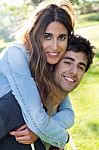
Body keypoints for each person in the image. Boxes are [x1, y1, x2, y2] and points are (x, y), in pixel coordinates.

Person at [0, 1, 75, 149]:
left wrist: (38, 131)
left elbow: (68, 113)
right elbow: (35, 116)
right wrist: (63, 137)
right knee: (18, 105)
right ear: (35, 34)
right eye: (47, 36)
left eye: (61, 37)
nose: (55, 46)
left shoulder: (51, 63)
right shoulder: (17, 54)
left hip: (15, 134)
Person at [0, 34, 95, 150]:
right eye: (67, 62)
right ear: (52, 65)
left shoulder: (59, 115)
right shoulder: (18, 104)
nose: (74, 71)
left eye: (81, 67)